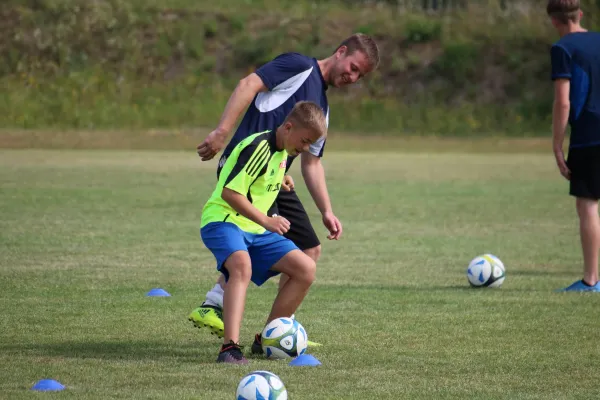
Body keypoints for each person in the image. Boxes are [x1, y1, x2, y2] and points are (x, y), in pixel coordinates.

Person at [189, 33, 380, 338]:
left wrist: (327, 211)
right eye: (353, 67)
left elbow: (312, 163)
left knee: (310, 250)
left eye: (360, 75)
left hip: (274, 181)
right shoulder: (299, 66)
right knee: (255, 238)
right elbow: (248, 85)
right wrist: (222, 131)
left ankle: (273, 336)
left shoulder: (322, 110)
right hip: (246, 172)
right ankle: (217, 305)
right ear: (341, 50)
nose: (353, 77)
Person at [200, 101, 327, 364]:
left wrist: (281, 181)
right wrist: (267, 221)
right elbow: (230, 192)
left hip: (253, 227)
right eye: (304, 141)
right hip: (223, 220)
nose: (304, 149)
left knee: (306, 268)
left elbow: (260, 176)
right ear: (289, 127)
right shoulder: (258, 146)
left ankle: (266, 339)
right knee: (241, 265)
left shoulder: (283, 150)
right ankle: (229, 349)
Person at [548, 0, 600, 292]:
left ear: (554, 22)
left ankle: (591, 280)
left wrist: (557, 144)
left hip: (590, 134)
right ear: (580, 15)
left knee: (588, 204)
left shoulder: (563, 48)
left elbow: (563, 100)